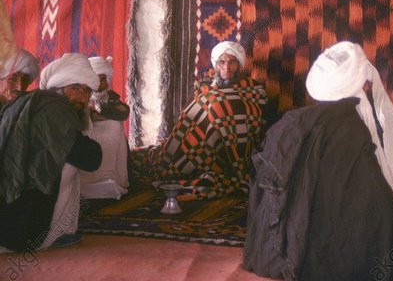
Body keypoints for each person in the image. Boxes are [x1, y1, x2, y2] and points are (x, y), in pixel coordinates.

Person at [243, 41, 393, 281]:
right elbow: (375, 202)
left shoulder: (294, 119)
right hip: (329, 246)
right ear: (362, 85)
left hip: (274, 247)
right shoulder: (350, 127)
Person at [139, 41, 268, 199]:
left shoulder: (253, 88)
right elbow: (188, 117)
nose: (226, 69)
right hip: (203, 144)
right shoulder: (203, 86)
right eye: (222, 62)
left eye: (232, 62)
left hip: (238, 144)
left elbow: (257, 117)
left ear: (240, 65)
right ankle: (193, 165)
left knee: (214, 104)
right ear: (215, 64)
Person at [0, 53, 102, 252]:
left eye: (86, 91)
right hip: (17, 222)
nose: (82, 97)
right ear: (58, 86)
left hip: (9, 208)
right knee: (70, 162)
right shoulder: (53, 107)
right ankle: (52, 234)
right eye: (75, 88)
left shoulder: (36, 101)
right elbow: (91, 158)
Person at [79, 56, 130, 199]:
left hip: (110, 135)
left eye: (102, 79)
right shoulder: (80, 97)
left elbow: (123, 112)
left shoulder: (112, 98)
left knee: (114, 125)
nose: (99, 84)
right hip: (87, 133)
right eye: (96, 79)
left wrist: (97, 107)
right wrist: (89, 113)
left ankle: (112, 180)